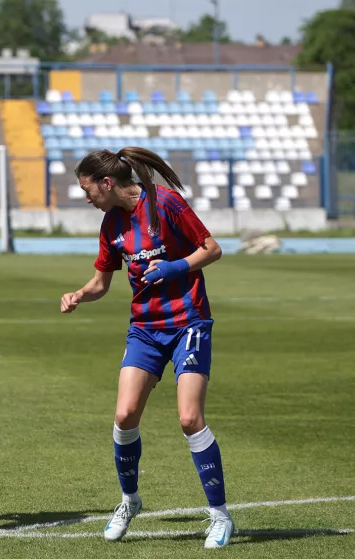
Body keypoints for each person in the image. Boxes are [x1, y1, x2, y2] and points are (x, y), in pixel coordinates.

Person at [59, 147, 234, 549]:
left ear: (107, 183)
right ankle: (129, 500)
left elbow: (212, 248)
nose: (86, 198)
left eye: (87, 189)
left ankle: (221, 515)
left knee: (190, 419)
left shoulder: (166, 204)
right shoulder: (110, 224)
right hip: (145, 329)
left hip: (189, 323)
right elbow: (101, 283)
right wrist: (78, 294)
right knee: (124, 415)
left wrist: (175, 267)